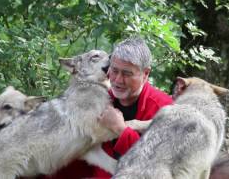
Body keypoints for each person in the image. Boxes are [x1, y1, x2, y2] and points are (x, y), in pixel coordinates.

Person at [43, 36, 173, 178]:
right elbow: (78, 155)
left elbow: (159, 167)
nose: (117, 80)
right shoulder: (100, 101)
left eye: (127, 74)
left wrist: (121, 129)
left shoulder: (164, 109)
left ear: (145, 74)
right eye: (114, 70)